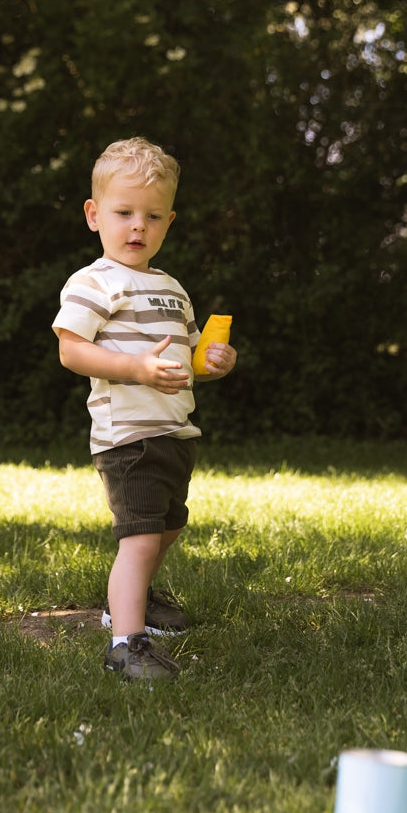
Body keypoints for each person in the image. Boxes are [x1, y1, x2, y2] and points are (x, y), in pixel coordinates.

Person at [52, 137, 237, 681]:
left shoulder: (171, 290)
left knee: (168, 525)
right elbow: (71, 348)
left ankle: (136, 602)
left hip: (174, 431)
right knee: (139, 537)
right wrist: (134, 368)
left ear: (169, 221)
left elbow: (189, 356)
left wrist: (213, 360)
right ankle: (125, 645)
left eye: (153, 216)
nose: (138, 226)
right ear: (94, 215)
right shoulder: (93, 283)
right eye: (124, 212)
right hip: (127, 436)